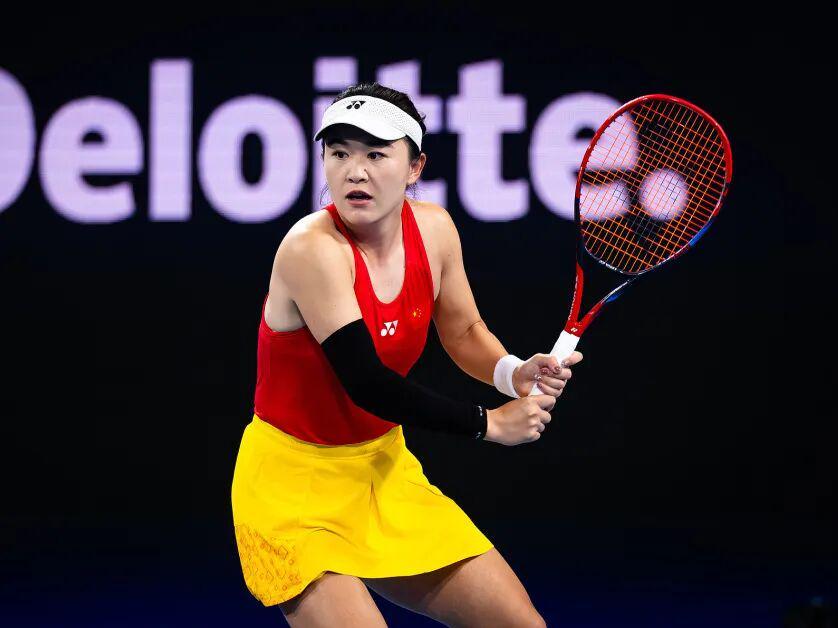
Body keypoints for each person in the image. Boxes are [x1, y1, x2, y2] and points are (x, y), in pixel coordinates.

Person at [231, 82, 583, 627]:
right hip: (292, 491)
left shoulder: (435, 230)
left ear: (415, 166)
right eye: (339, 153)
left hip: (382, 471)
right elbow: (367, 383)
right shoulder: (310, 249)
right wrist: (489, 423)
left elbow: (463, 330)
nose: (354, 171)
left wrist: (512, 373)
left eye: (376, 154)